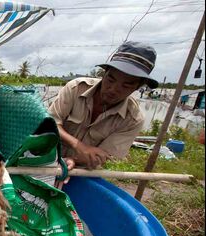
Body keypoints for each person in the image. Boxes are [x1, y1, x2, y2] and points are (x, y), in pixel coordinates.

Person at [49, 41, 158, 170]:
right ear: (104, 74)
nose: (113, 89)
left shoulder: (132, 119)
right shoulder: (76, 88)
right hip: (45, 158)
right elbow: (50, 123)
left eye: (126, 85)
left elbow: (103, 156)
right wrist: (79, 146)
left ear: (138, 87)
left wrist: (72, 160)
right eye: (110, 79)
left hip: (80, 170)